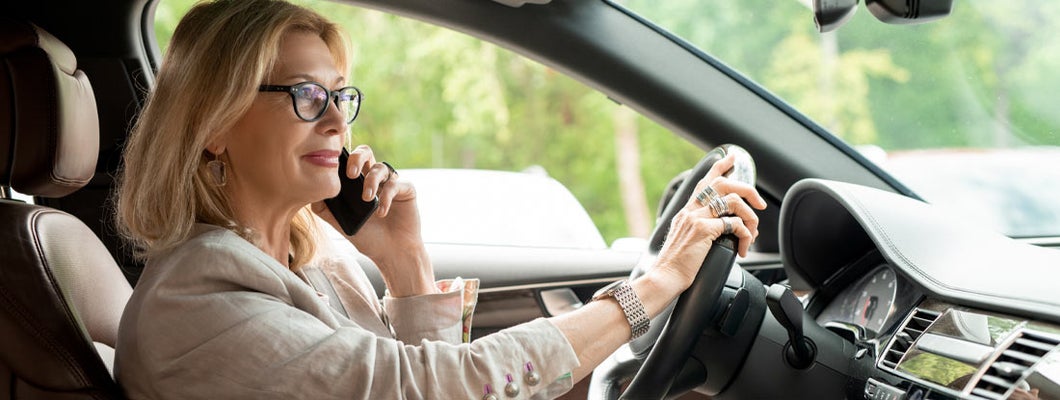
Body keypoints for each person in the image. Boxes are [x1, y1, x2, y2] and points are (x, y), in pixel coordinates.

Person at [113, 0, 767, 398]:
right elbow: (435, 388)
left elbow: (428, 386)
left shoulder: (314, 265)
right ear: (215, 125)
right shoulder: (196, 306)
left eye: (341, 95)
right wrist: (655, 286)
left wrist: (405, 264)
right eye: (305, 96)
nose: (338, 121)